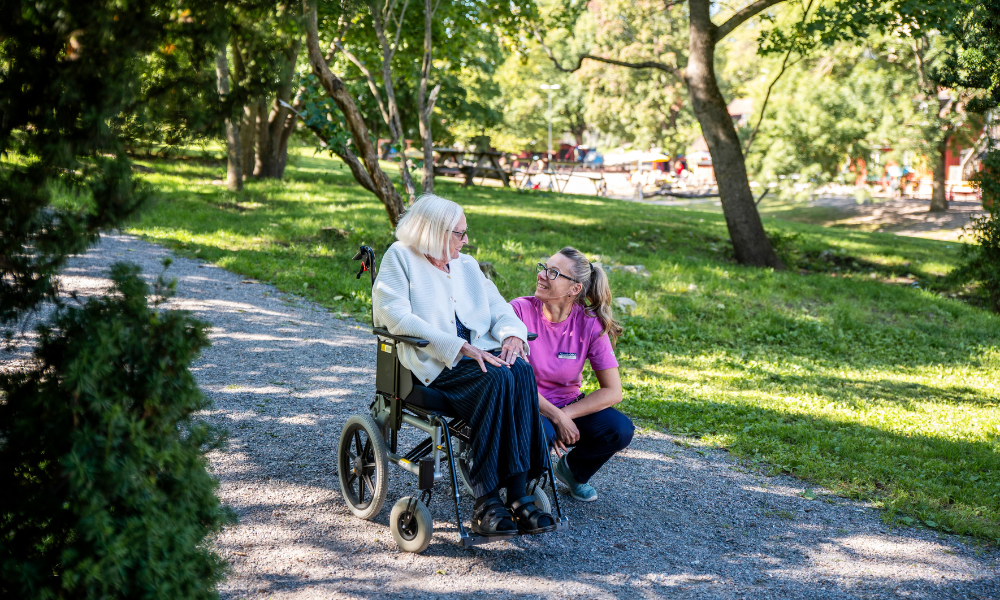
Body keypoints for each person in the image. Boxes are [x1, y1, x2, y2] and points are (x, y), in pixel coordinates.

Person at [372, 194, 557, 536]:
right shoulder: (400, 258)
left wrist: (512, 335)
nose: (466, 240)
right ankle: (486, 501)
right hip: (431, 365)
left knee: (520, 370)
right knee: (497, 379)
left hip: (478, 357)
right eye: (460, 233)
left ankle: (518, 496)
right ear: (436, 232)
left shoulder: (466, 266)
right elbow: (396, 318)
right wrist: (458, 346)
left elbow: (500, 308)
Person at [511, 247, 634, 502]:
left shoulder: (589, 323)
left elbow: (613, 391)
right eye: (543, 268)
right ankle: (516, 485)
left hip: (567, 405)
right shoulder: (518, 311)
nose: (542, 275)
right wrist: (555, 417)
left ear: (574, 289)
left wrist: (564, 415)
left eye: (553, 273)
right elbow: (512, 381)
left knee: (620, 429)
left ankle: (573, 471)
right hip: (526, 402)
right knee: (541, 433)